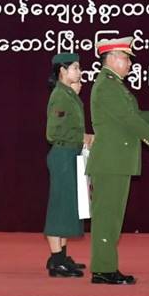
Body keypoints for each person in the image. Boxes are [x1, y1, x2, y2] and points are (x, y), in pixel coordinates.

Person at [87, 36, 149, 284]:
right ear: (112, 58)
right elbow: (127, 120)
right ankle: (103, 270)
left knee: (112, 217)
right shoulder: (107, 86)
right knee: (107, 217)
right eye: (126, 58)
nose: (130, 64)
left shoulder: (113, 85)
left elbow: (130, 116)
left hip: (116, 160)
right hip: (111, 161)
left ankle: (105, 267)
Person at [44, 53, 94, 278]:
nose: (80, 72)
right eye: (75, 68)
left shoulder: (68, 94)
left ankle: (61, 256)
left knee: (67, 207)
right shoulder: (60, 96)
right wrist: (83, 137)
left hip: (70, 153)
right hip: (63, 154)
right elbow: (53, 133)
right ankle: (56, 261)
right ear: (62, 71)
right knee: (59, 208)